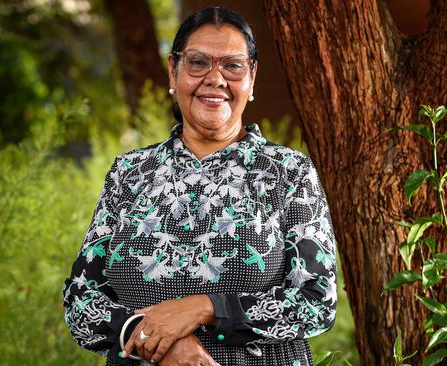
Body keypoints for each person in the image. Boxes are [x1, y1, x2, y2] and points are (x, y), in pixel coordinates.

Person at [62, 6, 337, 366]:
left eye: (233, 65)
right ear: (172, 72)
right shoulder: (129, 173)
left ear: (251, 78)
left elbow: (317, 301)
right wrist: (152, 340)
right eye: (198, 62)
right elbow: (81, 302)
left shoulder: (288, 172)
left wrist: (206, 308)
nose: (215, 78)